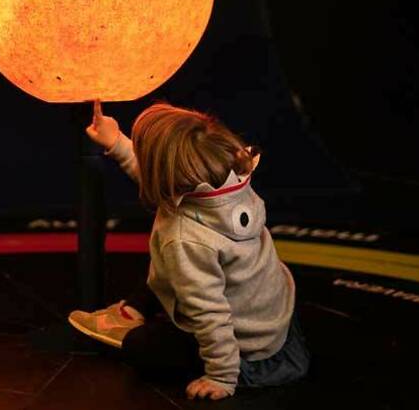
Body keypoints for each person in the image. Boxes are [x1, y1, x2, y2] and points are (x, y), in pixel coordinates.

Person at [68, 100, 309, 400]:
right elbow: (158, 173)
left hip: (248, 350)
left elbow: (210, 313)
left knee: (141, 347)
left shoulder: (185, 239)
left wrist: (221, 376)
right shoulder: (230, 179)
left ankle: (133, 327)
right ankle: (132, 310)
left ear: (169, 178)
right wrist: (117, 142)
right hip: (272, 316)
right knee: (169, 277)